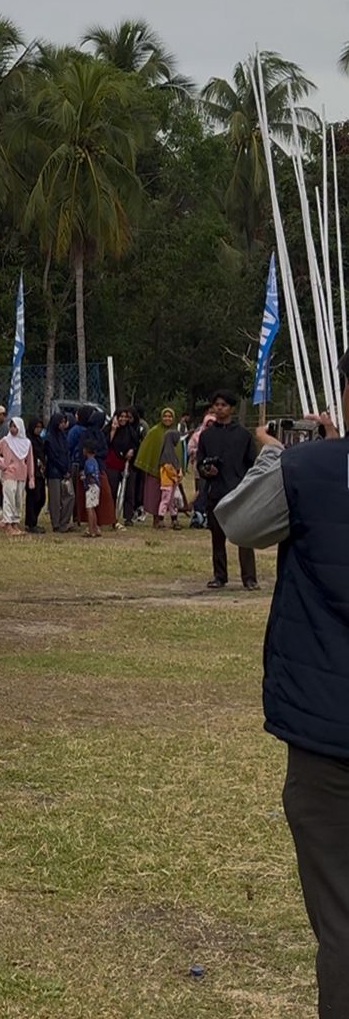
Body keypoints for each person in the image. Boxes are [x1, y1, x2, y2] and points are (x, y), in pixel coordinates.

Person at [215, 348, 349, 1015]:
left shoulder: (308, 470)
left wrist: (278, 456)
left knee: (343, 920)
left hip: (329, 734)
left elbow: (238, 521)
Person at [196, 389, 259, 590]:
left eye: (223, 405)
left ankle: (249, 578)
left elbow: (252, 464)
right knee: (217, 537)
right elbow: (199, 463)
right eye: (216, 405)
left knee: (244, 536)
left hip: (239, 492)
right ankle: (219, 576)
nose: (219, 408)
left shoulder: (243, 435)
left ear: (231, 408)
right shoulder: (206, 436)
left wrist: (248, 485)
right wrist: (207, 470)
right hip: (215, 491)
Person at [0, 417, 36, 536]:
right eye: (11, 426)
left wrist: (31, 477)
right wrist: (0, 464)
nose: (12, 429)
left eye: (15, 426)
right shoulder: (6, 441)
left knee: (18, 500)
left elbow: (30, 461)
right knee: (8, 499)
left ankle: (15, 523)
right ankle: (8, 523)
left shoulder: (27, 443)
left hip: (21, 475)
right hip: (9, 474)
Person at [134, 407, 178, 524]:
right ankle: (156, 519)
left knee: (170, 496)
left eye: (170, 416)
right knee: (154, 494)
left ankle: (171, 518)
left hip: (170, 471)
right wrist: (148, 463)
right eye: (165, 416)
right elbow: (147, 447)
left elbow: (178, 451)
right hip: (156, 469)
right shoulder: (154, 432)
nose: (167, 419)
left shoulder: (175, 433)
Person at [105, 407, 141, 525]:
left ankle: (128, 517)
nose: (123, 419)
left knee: (129, 491)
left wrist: (132, 451)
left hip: (127, 464)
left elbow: (136, 444)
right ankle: (110, 516)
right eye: (121, 416)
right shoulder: (109, 429)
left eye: (126, 417)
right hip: (113, 463)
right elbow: (106, 443)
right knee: (112, 490)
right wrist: (113, 430)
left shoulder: (130, 431)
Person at [44, 411, 73, 532]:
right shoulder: (49, 438)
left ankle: (64, 521)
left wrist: (68, 469)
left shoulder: (63, 436)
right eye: (61, 422)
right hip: (54, 472)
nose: (63, 425)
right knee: (55, 499)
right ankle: (56, 523)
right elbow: (52, 457)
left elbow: (67, 453)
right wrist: (63, 469)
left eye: (64, 422)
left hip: (64, 470)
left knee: (69, 496)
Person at [25, 418, 48, 533]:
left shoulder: (40, 440)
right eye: (37, 427)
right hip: (31, 472)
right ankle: (30, 523)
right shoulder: (28, 440)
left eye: (40, 427)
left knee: (41, 499)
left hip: (40, 472)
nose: (38, 430)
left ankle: (34, 521)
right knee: (33, 497)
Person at [81, 442, 102, 537]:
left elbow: (89, 473)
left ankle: (91, 530)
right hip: (96, 486)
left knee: (89, 508)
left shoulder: (89, 462)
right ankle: (95, 528)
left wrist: (84, 477)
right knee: (93, 508)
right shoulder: (95, 461)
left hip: (91, 486)